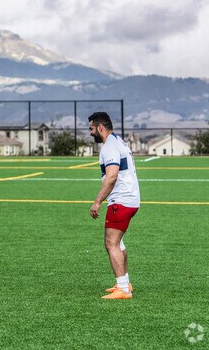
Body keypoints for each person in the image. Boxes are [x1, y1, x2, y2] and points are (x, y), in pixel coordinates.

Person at [88, 111, 140, 300]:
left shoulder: (109, 147)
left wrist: (97, 202)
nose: (91, 133)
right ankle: (124, 282)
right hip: (130, 200)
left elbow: (111, 176)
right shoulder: (118, 141)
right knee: (118, 242)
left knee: (111, 243)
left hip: (121, 200)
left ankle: (123, 289)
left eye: (92, 129)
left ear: (100, 127)